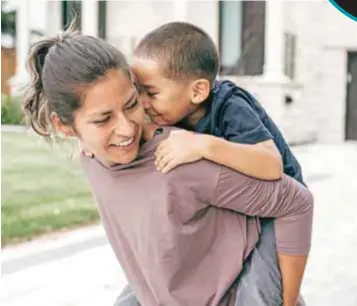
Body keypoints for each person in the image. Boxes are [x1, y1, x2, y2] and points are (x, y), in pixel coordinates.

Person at [23, 27, 313, 306]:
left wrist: (284, 300)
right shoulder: (93, 156)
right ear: (65, 127)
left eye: (131, 104)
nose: (126, 129)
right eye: (103, 120)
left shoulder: (182, 154)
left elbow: (292, 196)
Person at [131, 21, 308, 305]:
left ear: (198, 91)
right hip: (234, 207)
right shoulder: (170, 111)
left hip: (275, 213)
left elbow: (270, 164)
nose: (143, 103)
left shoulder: (229, 105)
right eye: (138, 91)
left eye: (151, 93)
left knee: (258, 293)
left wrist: (203, 145)